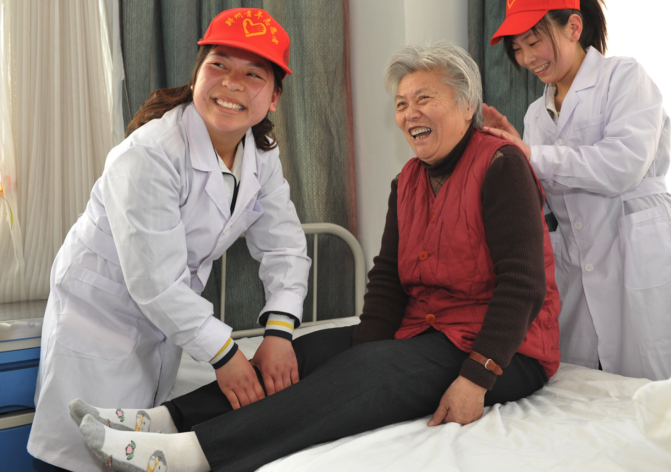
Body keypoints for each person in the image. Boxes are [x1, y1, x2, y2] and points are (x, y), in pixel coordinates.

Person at [70, 41, 561, 472]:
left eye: (424, 99)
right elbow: (388, 278)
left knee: (366, 373)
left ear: (467, 104)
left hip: (505, 352)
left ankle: (195, 453)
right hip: (426, 329)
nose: (410, 113)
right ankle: (164, 419)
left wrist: (476, 378)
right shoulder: (408, 180)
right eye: (401, 103)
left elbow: (524, 285)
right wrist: (363, 345)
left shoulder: (501, 164)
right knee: (306, 353)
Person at [28, 8, 311, 472]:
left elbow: (284, 245)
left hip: (167, 319)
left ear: (274, 97)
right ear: (197, 74)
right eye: (219, 64)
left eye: (253, 74)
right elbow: (155, 282)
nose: (232, 83)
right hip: (101, 315)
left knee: (139, 447)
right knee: (83, 451)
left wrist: (280, 330)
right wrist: (226, 356)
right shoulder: (149, 154)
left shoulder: (261, 155)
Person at [481, 0, 671, 380]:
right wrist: (516, 158)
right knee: (591, 388)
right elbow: (546, 192)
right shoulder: (536, 115)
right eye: (517, 49)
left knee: (669, 381)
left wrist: (533, 155)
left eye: (534, 42)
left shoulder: (623, 78)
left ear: (573, 27)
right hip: (579, 262)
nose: (526, 58)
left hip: (636, 249)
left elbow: (622, 165)